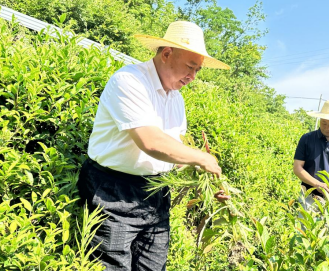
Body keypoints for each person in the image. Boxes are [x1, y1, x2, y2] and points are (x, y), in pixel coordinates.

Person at [77, 21, 231, 270]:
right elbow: (150, 141)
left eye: (198, 70)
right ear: (167, 53)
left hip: (156, 194)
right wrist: (203, 158)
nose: (192, 77)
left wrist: (206, 185)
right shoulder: (129, 81)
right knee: (110, 265)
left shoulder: (176, 99)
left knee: (153, 266)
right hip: (113, 191)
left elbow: (172, 154)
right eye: (190, 67)